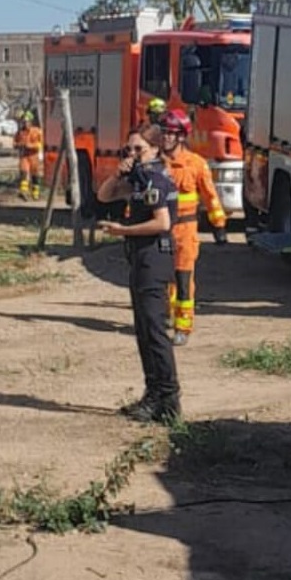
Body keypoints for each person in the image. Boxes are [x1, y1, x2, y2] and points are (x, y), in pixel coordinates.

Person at [94, 123, 181, 423]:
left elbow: (162, 223)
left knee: (155, 332)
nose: (132, 154)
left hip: (154, 258)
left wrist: (123, 230)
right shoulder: (139, 179)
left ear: (156, 149)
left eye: (138, 149)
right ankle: (153, 394)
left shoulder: (155, 178)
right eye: (128, 149)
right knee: (143, 330)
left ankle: (169, 399)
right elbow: (104, 196)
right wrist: (119, 172)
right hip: (140, 258)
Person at [158, 108, 227, 346]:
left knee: (183, 279)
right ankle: (168, 313)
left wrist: (218, 224)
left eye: (170, 133)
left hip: (186, 231)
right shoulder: (156, 164)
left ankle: (183, 326)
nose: (165, 137)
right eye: (163, 132)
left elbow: (210, 196)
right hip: (161, 229)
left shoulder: (196, 164)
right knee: (163, 278)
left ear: (181, 136)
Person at [13, 109, 43, 201]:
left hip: (34, 156)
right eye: (23, 122)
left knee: (35, 176)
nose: (25, 124)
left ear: (30, 122)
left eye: (26, 122)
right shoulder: (19, 133)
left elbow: (41, 144)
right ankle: (23, 192)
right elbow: (14, 143)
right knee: (24, 172)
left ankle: (35, 194)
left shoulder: (37, 131)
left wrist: (31, 145)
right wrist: (19, 145)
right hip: (24, 156)